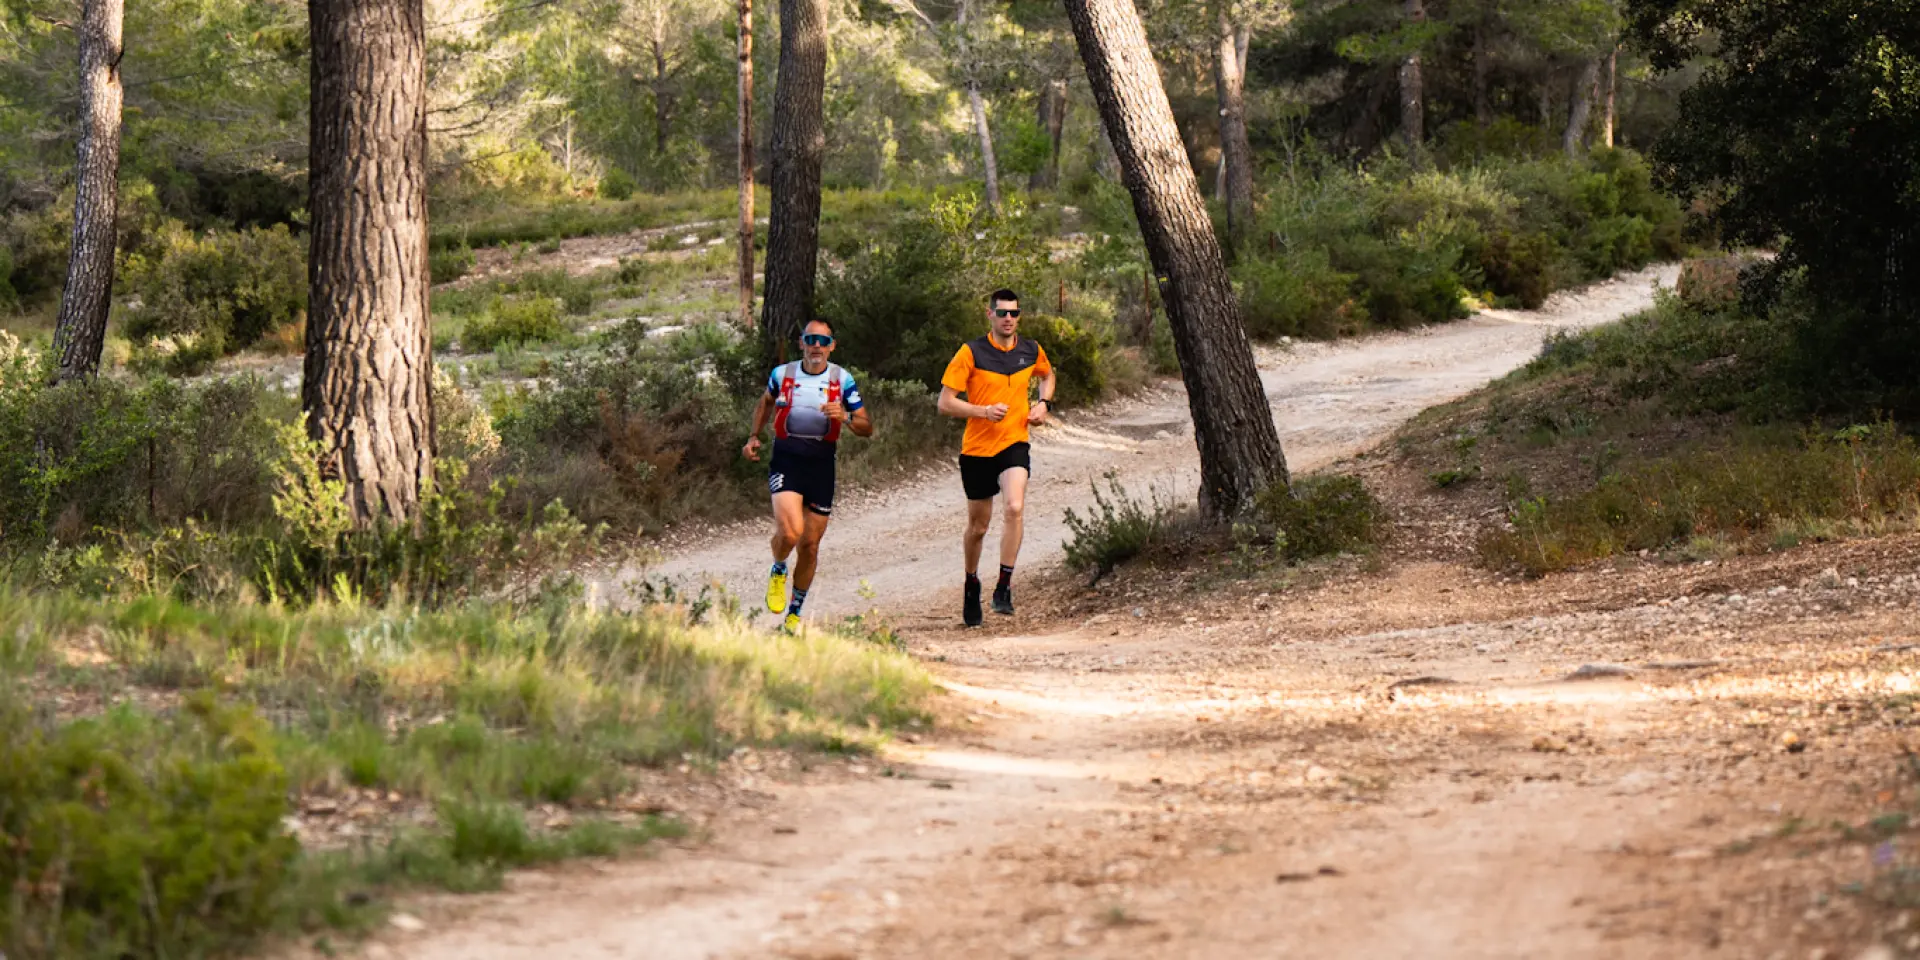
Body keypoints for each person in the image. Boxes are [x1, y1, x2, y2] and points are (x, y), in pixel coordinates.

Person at [743, 319, 872, 633]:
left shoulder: (842, 379)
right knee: (790, 533)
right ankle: (778, 569)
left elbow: (866, 427)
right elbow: (766, 402)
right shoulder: (783, 375)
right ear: (801, 342)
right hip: (786, 460)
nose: (816, 346)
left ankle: (794, 617)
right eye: (810, 339)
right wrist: (753, 437)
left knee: (810, 546)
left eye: (822, 340)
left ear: (831, 346)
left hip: (822, 466)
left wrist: (845, 416)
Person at [938, 288, 1057, 627]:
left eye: (1014, 313)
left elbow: (1047, 374)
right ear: (989, 314)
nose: (1008, 318)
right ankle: (971, 581)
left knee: (1015, 507)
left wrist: (1044, 404)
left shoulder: (1030, 350)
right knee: (978, 527)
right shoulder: (970, 352)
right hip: (976, 449)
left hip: (1014, 442)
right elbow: (945, 402)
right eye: (1002, 312)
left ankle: (1004, 585)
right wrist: (982, 411)